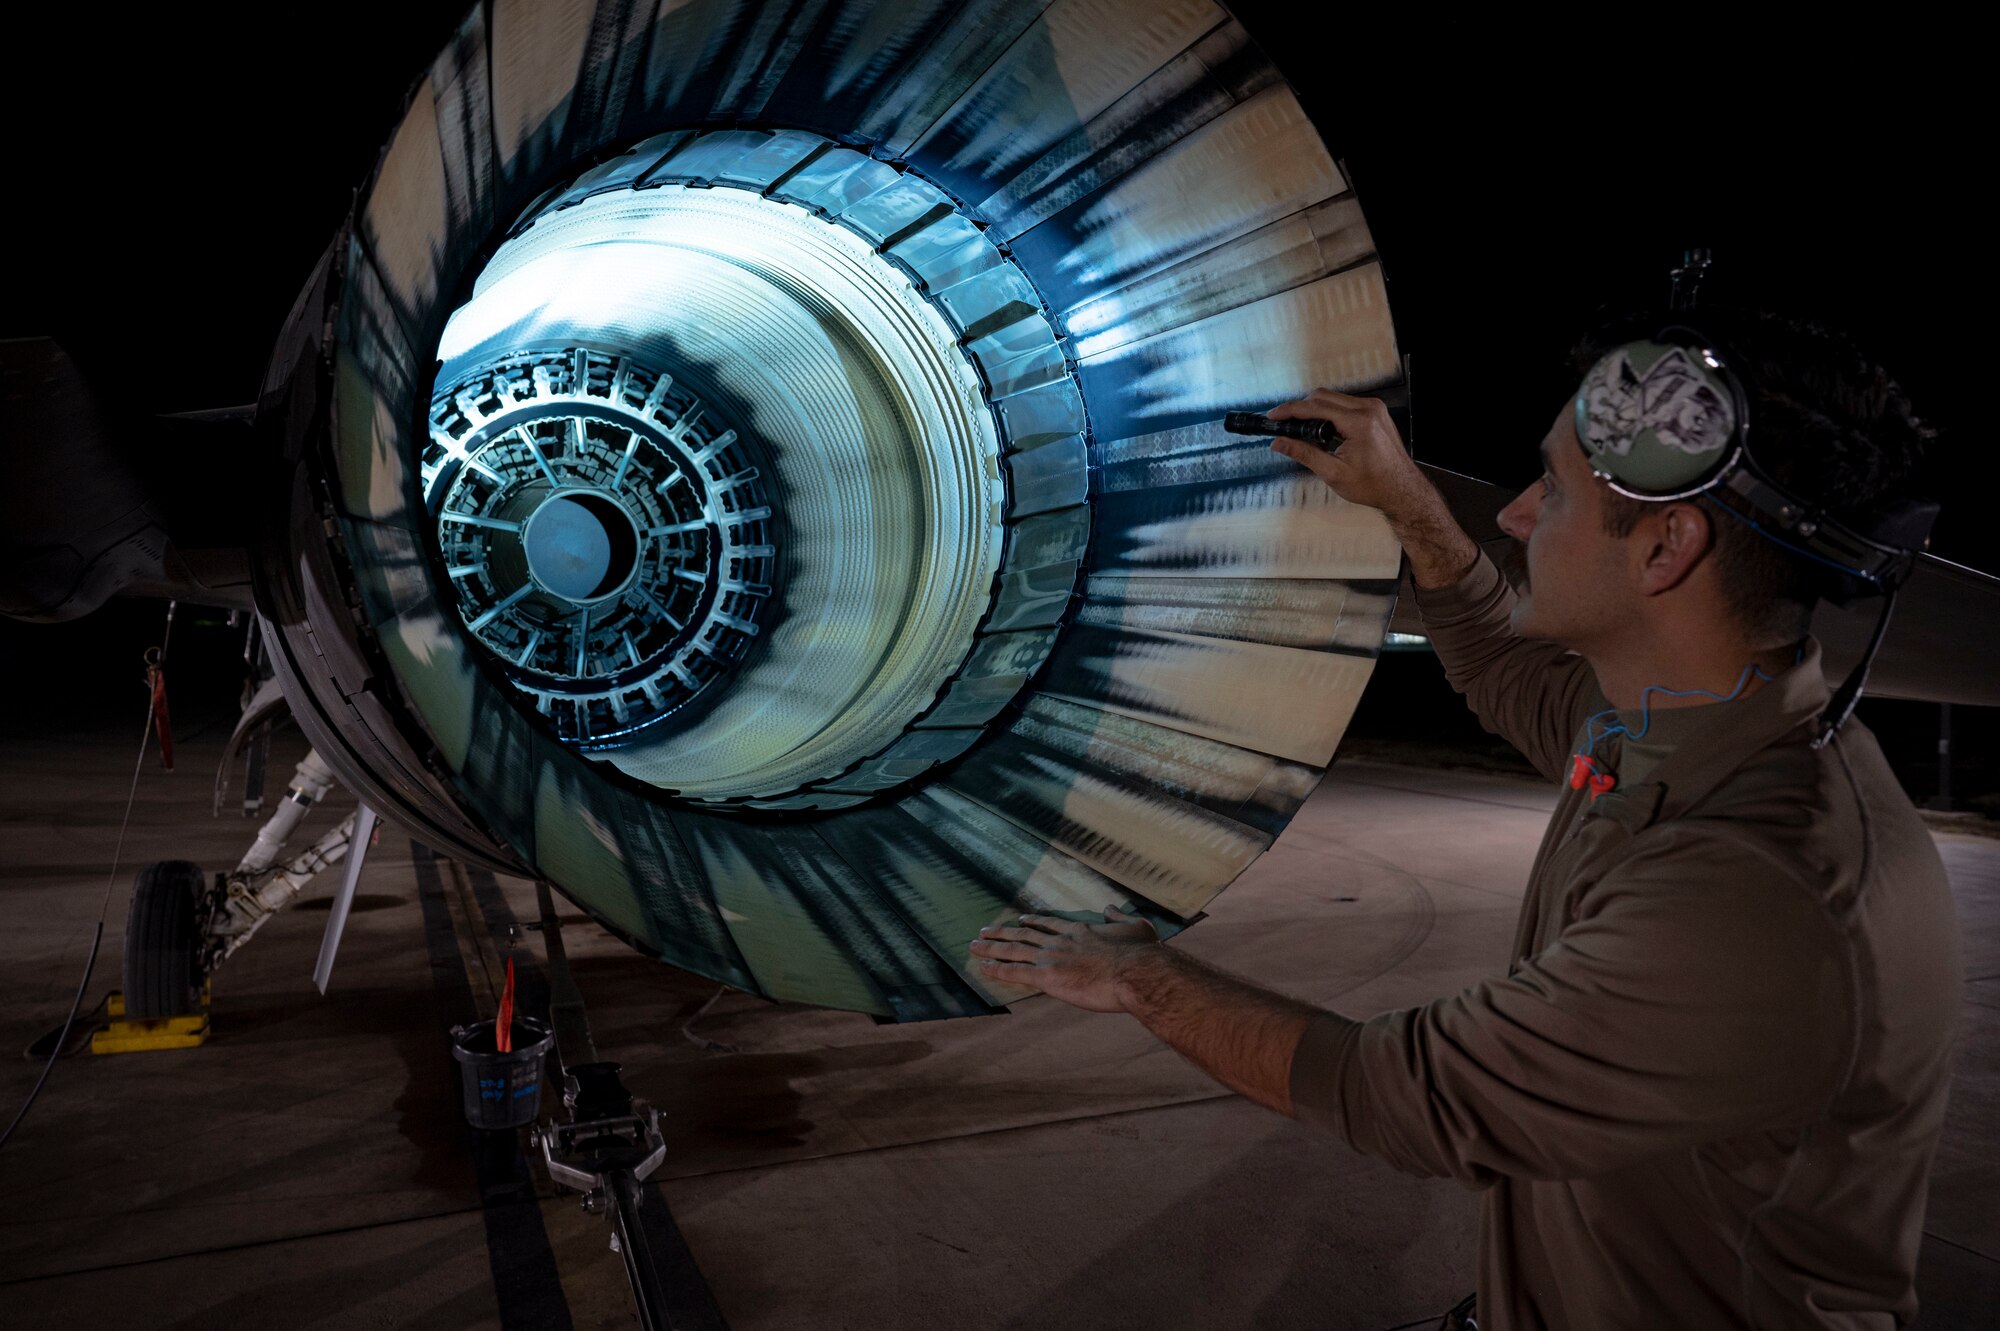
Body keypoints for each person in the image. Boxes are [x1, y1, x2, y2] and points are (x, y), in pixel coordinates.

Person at [970, 311, 1961, 1330]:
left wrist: (1139, 973)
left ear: (1666, 546)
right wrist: (1404, 500)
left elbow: (1405, 1094)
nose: (1519, 515)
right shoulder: (1676, 728)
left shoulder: (1752, 891)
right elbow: (1498, 663)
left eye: (1557, 490)